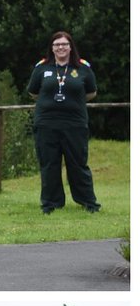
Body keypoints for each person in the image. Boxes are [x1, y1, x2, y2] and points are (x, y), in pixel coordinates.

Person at [26, 31, 100, 214]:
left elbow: (91, 92)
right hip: (47, 124)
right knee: (49, 164)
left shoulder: (83, 68)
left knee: (78, 164)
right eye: (57, 45)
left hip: (74, 124)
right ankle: (51, 203)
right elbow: (34, 93)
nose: (60, 48)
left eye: (64, 44)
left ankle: (88, 202)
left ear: (70, 47)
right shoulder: (42, 68)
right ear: (52, 48)